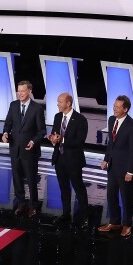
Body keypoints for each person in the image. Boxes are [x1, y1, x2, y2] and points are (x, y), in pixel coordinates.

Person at [98, 95, 133, 237]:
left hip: (125, 169)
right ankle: (115, 221)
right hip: (112, 167)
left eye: (117, 107)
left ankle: (127, 224)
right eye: (114, 106)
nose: (114, 109)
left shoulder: (132, 126)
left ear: (125, 109)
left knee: (126, 198)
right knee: (111, 195)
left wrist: (130, 171)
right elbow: (111, 142)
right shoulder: (112, 120)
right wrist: (106, 159)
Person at [1, 80, 45, 217]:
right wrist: (5, 133)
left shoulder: (37, 108)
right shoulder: (13, 105)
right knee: (17, 179)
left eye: (23, 91)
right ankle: (21, 203)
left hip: (29, 150)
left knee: (31, 180)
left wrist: (33, 141)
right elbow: (8, 123)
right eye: (18, 91)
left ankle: (33, 206)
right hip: (15, 148)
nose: (20, 93)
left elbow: (42, 131)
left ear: (30, 91)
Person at [48, 92, 89, 227]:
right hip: (59, 158)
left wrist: (62, 140)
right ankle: (66, 214)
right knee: (64, 189)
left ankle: (84, 217)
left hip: (73, 160)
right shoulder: (57, 116)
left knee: (79, 189)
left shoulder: (80, 119)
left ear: (68, 103)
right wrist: (52, 138)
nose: (57, 104)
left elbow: (80, 141)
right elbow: (55, 133)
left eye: (60, 102)